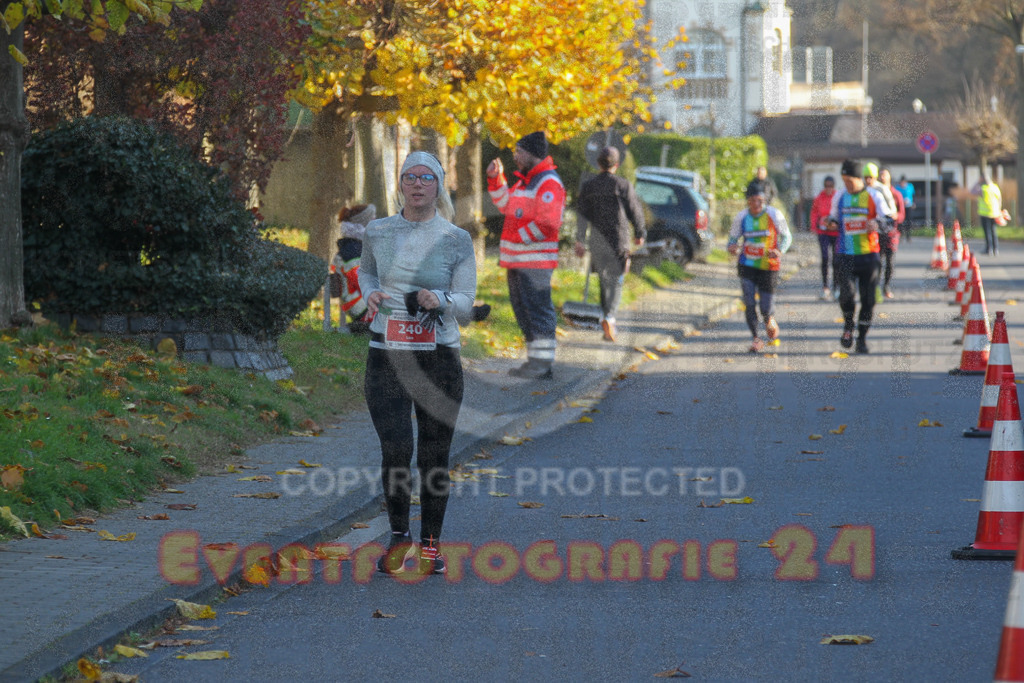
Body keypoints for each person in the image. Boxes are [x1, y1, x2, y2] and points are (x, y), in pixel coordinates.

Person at [358, 150, 477, 576]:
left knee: (433, 454)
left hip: (438, 357)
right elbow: (366, 273)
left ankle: (430, 545)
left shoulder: (456, 239)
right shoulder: (377, 231)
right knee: (395, 450)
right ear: (401, 184)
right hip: (386, 354)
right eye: (410, 176)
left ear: (438, 185)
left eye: (427, 177)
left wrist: (439, 299)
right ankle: (397, 538)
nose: (417, 184)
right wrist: (369, 294)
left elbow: (466, 302)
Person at [487, 131, 566, 379]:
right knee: (524, 313)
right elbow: (505, 205)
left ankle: (542, 365)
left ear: (532, 153)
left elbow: (549, 222)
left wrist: (517, 237)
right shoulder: (525, 181)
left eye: (519, 151)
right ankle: (536, 363)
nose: (515, 156)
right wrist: (495, 179)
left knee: (538, 313)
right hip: (518, 262)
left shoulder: (548, 182)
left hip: (535, 264)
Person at [574, 146, 646, 343]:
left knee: (603, 279)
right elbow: (635, 210)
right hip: (618, 240)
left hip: (597, 241)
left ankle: (606, 316)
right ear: (617, 164)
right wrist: (640, 233)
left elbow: (582, 215)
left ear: (598, 164)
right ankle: (610, 317)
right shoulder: (623, 185)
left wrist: (580, 239)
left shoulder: (589, 186)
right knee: (616, 279)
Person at [827, 159, 889, 354]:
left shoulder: (874, 196)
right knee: (846, 294)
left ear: (859, 178)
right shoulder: (840, 196)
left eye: (850, 181)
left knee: (868, 300)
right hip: (845, 254)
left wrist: (877, 224)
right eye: (844, 180)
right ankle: (848, 325)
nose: (846, 184)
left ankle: (861, 339)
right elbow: (833, 217)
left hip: (869, 255)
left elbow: (889, 220)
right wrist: (831, 223)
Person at [727, 181, 792, 353]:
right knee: (749, 302)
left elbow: (787, 237)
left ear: (765, 200)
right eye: (752, 201)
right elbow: (732, 239)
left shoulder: (774, 214)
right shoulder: (741, 217)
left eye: (760, 201)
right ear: (748, 201)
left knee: (765, 308)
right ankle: (756, 338)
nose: (756, 204)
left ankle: (769, 318)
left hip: (768, 266)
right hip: (747, 264)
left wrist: (779, 250)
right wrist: (732, 247)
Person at [331, 203, 376, 332]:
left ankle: (355, 329)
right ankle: (352, 329)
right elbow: (361, 281)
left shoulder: (357, 246)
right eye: (373, 218)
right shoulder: (352, 249)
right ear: (365, 223)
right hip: (359, 304)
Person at [871, 165, 904, 299]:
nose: (882, 177)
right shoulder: (874, 193)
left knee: (890, 261)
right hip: (878, 232)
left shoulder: (896, 194)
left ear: (889, 177)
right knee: (877, 261)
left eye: (885, 175)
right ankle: (876, 287)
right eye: (880, 175)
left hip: (891, 233)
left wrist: (896, 216)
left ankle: (886, 286)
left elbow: (902, 215)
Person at [809, 175, 839, 300]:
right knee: (825, 258)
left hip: (835, 233)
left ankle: (836, 287)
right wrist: (813, 226)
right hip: (823, 232)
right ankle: (825, 287)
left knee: (836, 260)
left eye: (830, 186)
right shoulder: (819, 197)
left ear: (834, 186)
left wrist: (837, 224)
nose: (828, 188)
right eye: (826, 186)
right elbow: (814, 212)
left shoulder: (837, 197)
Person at [972, 173, 1003, 256]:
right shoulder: (995, 187)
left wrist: (978, 182)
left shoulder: (984, 189)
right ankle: (995, 248)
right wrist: (999, 210)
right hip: (995, 212)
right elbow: (999, 199)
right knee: (993, 231)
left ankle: (989, 249)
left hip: (985, 213)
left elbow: (972, 191)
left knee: (987, 231)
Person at [896, 175, 915, 242]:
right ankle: (900, 235)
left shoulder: (910, 186)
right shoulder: (897, 188)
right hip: (901, 207)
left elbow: (913, 195)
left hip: (909, 206)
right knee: (900, 221)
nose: (903, 183)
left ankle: (908, 236)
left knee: (909, 221)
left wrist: (914, 202)